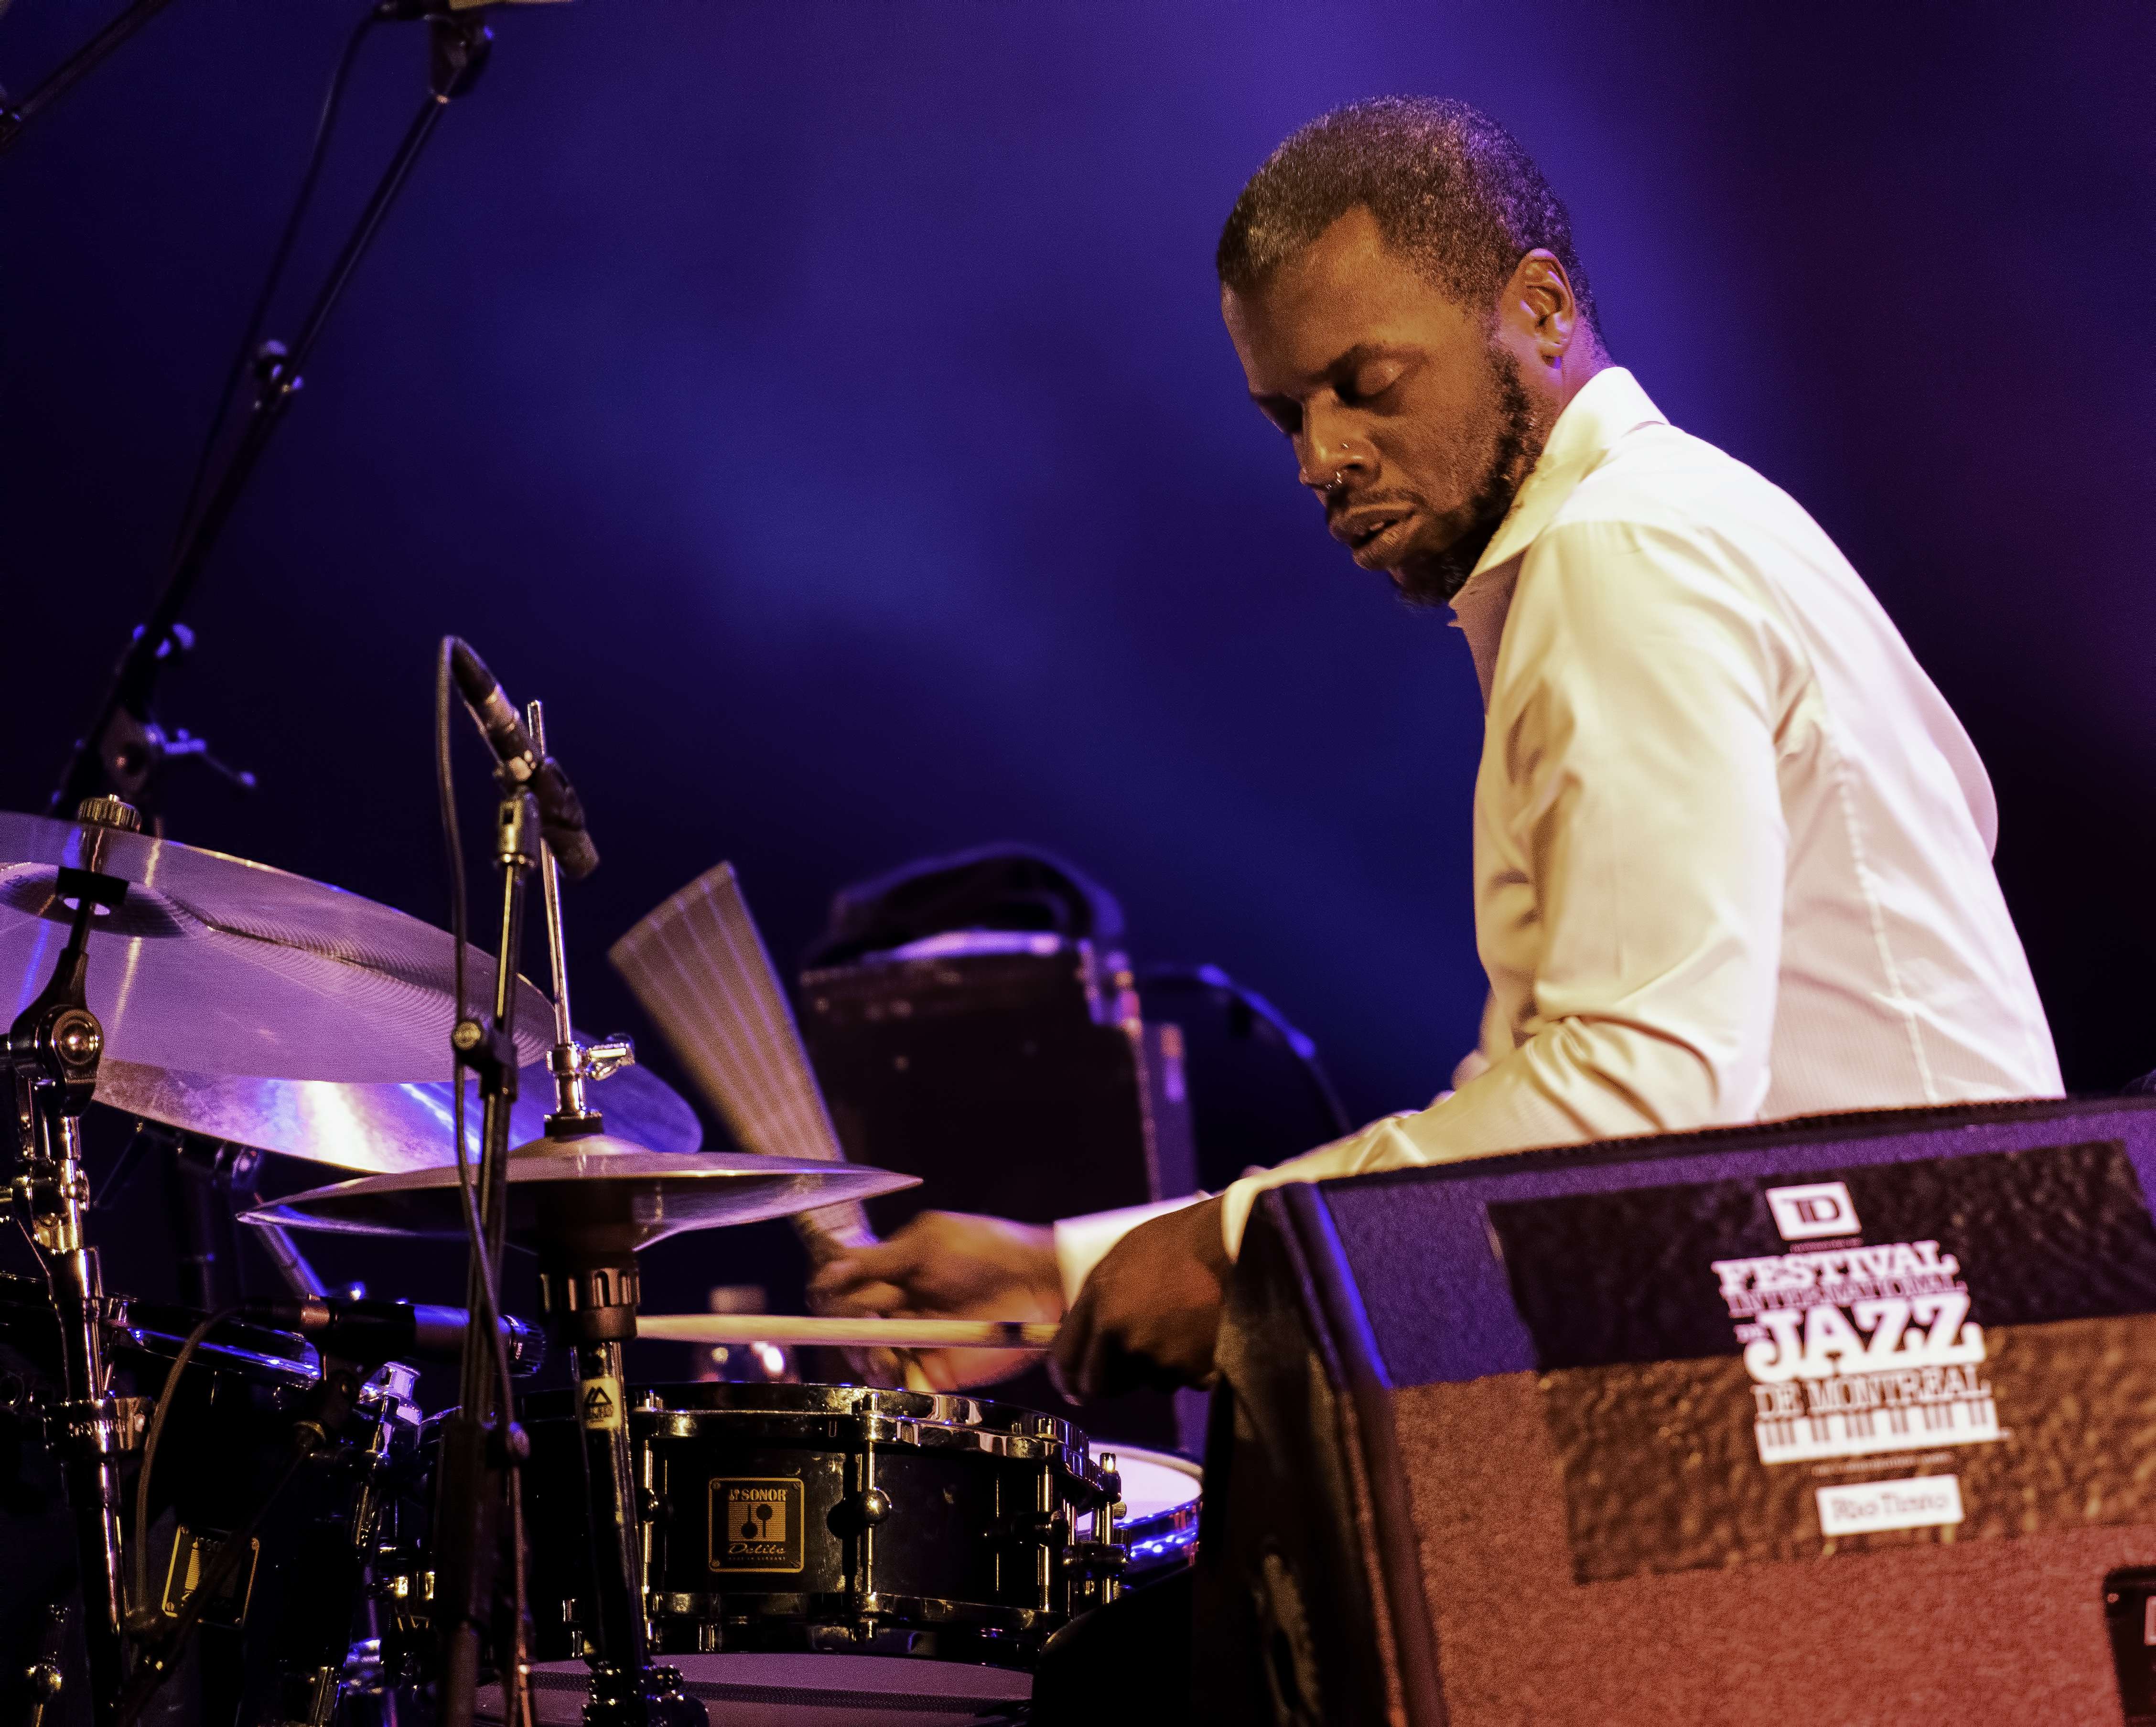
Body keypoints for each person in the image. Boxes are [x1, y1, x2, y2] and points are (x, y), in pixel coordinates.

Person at [810, 95, 2062, 1410]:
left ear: (1538, 310)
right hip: (1933, 1342)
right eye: (1287, 416)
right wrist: (1075, 1263)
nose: (1324, 459)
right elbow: (1566, 1093)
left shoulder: (1620, 548)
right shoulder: (1688, 520)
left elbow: (1634, 1103)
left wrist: (1223, 1252)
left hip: (1928, 1373)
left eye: (1367, 386)